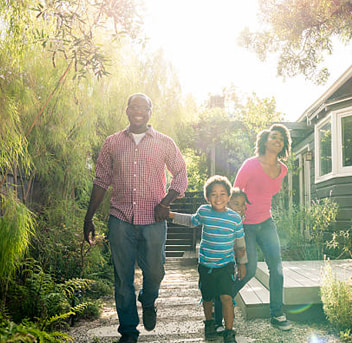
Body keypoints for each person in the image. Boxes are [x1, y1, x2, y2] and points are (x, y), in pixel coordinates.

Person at [83, 93, 188, 343]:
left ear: (151, 112)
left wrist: (166, 202)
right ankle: (128, 331)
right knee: (122, 279)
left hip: (153, 219)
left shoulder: (164, 142)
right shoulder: (112, 143)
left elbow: (181, 174)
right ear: (127, 110)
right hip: (120, 218)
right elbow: (100, 180)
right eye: (134, 106)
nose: (139, 111)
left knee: (156, 271)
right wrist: (88, 217)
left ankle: (149, 299)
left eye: (144, 107)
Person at [227, 123, 293, 331]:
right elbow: (234, 193)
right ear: (264, 141)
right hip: (245, 225)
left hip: (266, 223)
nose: (277, 140)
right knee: (250, 270)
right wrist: (234, 220)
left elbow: (268, 194)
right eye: (274, 137)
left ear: (284, 145)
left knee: (278, 269)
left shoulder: (283, 169)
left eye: (281, 139)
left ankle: (277, 313)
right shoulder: (250, 164)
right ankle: (224, 298)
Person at [169, 175, 247, 343]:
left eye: (222, 194)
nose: (218, 198)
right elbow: (191, 221)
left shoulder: (235, 218)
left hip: (226, 265)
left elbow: (240, 244)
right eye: (213, 194)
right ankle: (209, 323)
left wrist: (242, 264)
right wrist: (170, 215)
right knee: (207, 297)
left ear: (228, 196)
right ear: (207, 197)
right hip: (206, 265)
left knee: (226, 297)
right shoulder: (204, 211)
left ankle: (229, 332)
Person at [213, 187, 251, 333]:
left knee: (225, 292)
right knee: (219, 292)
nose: (241, 208)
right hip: (216, 262)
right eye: (236, 204)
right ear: (227, 204)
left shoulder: (240, 221)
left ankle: (226, 317)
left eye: (243, 205)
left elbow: (240, 244)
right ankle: (217, 322)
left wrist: (241, 261)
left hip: (230, 264)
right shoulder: (221, 218)